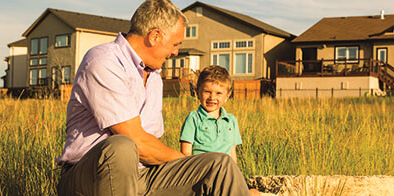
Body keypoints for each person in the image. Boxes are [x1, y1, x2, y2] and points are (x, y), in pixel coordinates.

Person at [56, 0, 250, 195]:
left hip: (143, 175)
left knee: (218, 165)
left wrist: (196, 168)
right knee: (123, 146)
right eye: (175, 44)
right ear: (155, 36)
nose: (175, 52)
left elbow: (151, 146)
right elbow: (138, 142)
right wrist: (186, 163)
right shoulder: (104, 61)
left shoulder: (154, 75)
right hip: (91, 178)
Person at [180, 65, 260, 196]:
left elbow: (232, 154)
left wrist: (237, 177)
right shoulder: (194, 118)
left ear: (227, 96)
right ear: (197, 92)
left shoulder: (231, 120)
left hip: (228, 174)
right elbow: (185, 153)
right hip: (204, 174)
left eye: (218, 93)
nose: (212, 97)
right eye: (207, 92)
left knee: (254, 193)